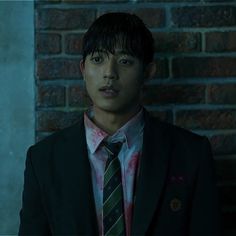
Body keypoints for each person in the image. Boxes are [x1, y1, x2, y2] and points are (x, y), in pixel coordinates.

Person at [19, 12, 221, 236]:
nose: (109, 73)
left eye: (125, 61)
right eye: (98, 59)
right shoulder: (44, 160)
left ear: (147, 72)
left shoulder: (191, 154)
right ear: (83, 70)